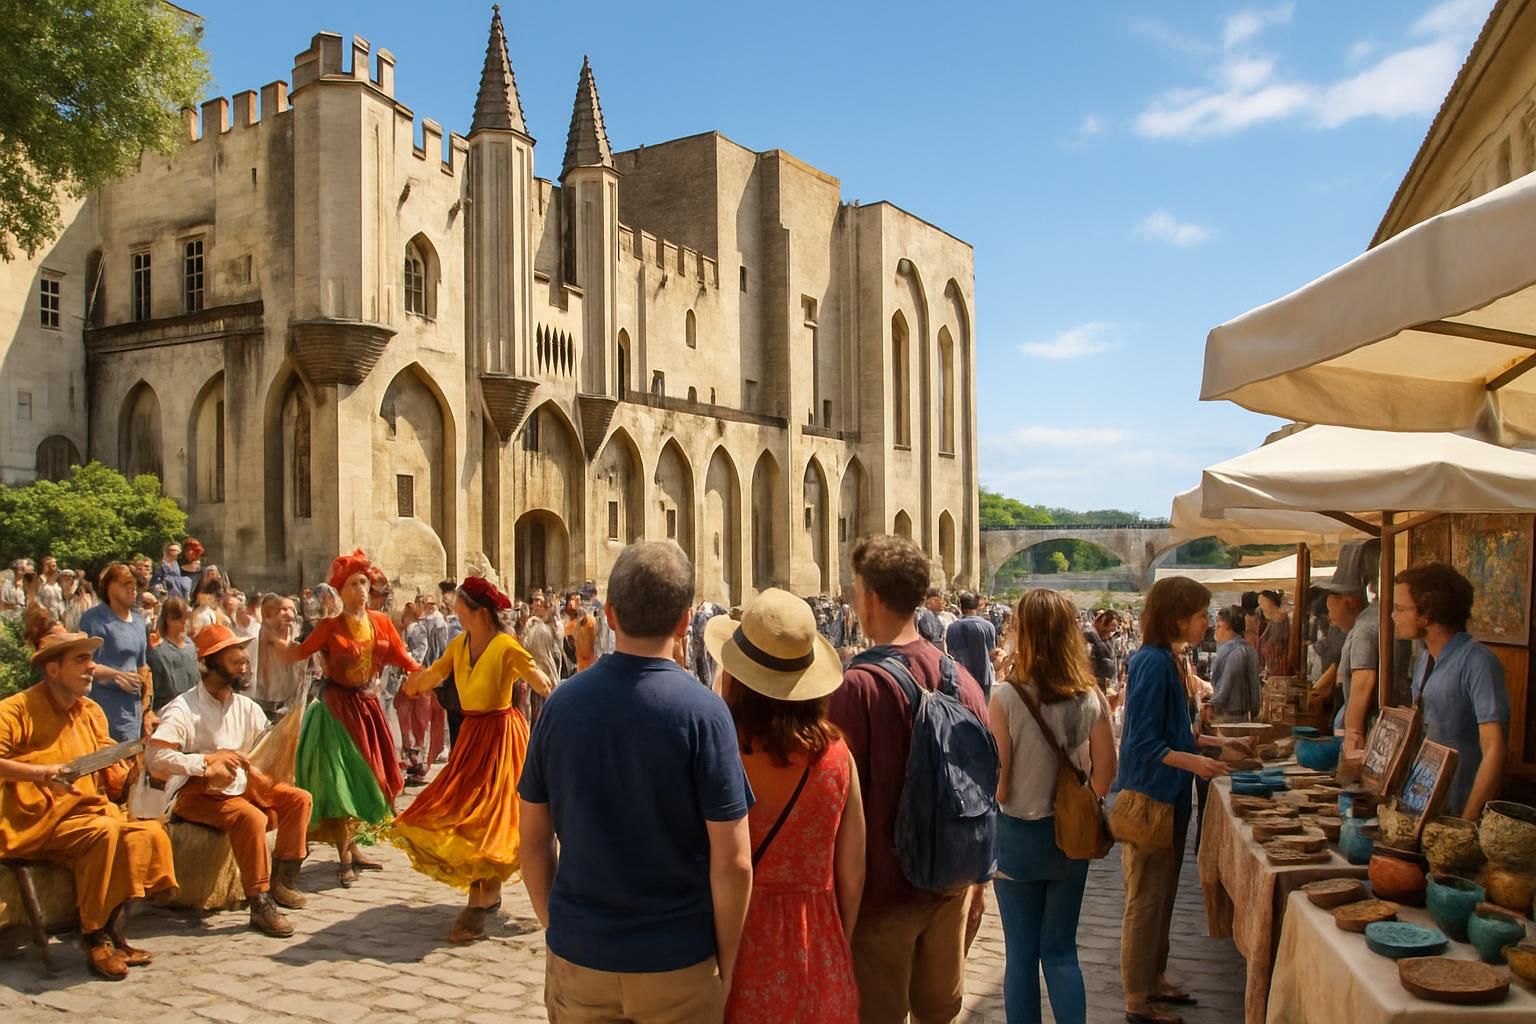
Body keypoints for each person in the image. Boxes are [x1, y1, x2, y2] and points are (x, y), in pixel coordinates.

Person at [520, 542, 753, 1023]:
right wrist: (726, 965)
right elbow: (733, 863)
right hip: (677, 963)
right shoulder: (704, 714)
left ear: (609, 613)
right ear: (685, 621)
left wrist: (560, 927)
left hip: (581, 955)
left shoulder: (560, 707)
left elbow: (533, 843)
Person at [827, 535, 989, 1024]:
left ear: (871, 597)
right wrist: (978, 883)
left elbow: (834, 802)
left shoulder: (856, 688)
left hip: (882, 897)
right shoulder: (962, 678)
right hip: (950, 885)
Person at [705, 588, 863, 1024]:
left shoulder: (721, 755)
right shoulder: (837, 758)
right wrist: (835, 940)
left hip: (736, 943)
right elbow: (852, 872)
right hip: (819, 948)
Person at [0, 631, 177, 979]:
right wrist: (41, 773)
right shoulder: (15, 709)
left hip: (88, 813)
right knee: (105, 831)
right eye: (80, 660)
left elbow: (109, 771)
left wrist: (134, 767)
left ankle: (113, 928)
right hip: (35, 822)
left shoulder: (90, 711)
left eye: (90, 659)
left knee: (146, 833)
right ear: (53, 669)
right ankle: (93, 936)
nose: (92, 666)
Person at [1116, 577, 1248, 1024]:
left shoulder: (1170, 658)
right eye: (1199, 615)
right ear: (1177, 617)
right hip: (1152, 799)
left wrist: (1214, 744)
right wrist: (1198, 764)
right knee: (1146, 902)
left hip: (1169, 800)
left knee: (1163, 897)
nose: (1206, 623)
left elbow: (1176, 733)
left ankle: (1153, 978)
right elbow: (1142, 742)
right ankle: (1138, 998)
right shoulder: (1152, 662)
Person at [393, 577, 552, 942]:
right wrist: (414, 684)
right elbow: (437, 672)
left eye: (459, 604)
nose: (453, 608)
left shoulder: (504, 646)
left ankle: (478, 903)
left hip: (501, 739)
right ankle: (487, 891)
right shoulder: (459, 645)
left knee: (489, 816)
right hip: (472, 737)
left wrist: (556, 694)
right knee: (459, 810)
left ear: (479, 612)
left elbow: (535, 674)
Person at [988, 589, 1116, 1024]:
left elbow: (1000, 785)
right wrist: (1084, 800)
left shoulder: (1005, 697)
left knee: (1020, 956)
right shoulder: (1088, 695)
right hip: (1069, 835)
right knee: (1061, 951)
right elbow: (1106, 770)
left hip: (1018, 835)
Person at [146, 624, 312, 937]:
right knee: (249, 818)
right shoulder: (184, 708)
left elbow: (266, 749)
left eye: (245, 661)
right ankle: (259, 902)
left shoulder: (247, 707)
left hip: (242, 786)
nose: (244, 666)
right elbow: (155, 757)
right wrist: (205, 762)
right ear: (211, 665)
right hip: (198, 794)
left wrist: (282, 744)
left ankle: (283, 881)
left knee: (298, 799)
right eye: (237, 662)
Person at [275, 550, 419, 885]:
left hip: (366, 707)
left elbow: (401, 656)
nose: (362, 589)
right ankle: (343, 857)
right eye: (354, 583)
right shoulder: (329, 627)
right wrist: (278, 645)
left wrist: (425, 674)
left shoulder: (380, 623)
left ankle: (353, 848)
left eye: (365, 583)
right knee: (340, 782)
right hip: (335, 709)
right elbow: (300, 653)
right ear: (341, 591)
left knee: (368, 778)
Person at [1394, 563, 1510, 819]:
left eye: (1401, 609)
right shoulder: (1425, 659)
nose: (1394, 616)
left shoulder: (1478, 662)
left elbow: (1494, 748)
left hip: (1458, 809)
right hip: (1423, 803)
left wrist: (1468, 820)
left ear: (1428, 614)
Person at [1316, 541, 1381, 751]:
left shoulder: (1364, 629)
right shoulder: (1367, 622)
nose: (1330, 616)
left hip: (1372, 729)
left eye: (1330, 608)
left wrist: (1353, 733)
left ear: (1348, 601)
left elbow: (1364, 681)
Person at [80, 563, 153, 743]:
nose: (132, 590)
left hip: (132, 711)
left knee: (131, 765)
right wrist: (116, 675)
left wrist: (147, 706)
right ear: (110, 587)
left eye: (134, 585)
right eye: (125, 585)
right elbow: (82, 664)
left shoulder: (138, 621)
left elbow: (142, 666)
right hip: (103, 709)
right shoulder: (94, 619)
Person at [253, 593, 306, 717]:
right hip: (271, 687)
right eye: (282, 609)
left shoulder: (291, 627)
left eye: (290, 609)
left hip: (289, 682)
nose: (287, 613)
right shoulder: (266, 629)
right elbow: (284, 647)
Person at [1208, 606, 1261, 722]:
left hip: (1228, 715)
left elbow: (1225, 686)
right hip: (1243, 715)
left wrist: (1210, 705)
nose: (1216, 631)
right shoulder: (1249, 649)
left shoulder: (1234, 652)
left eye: (1219, 626)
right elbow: (1255, 689)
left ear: (1227, 626)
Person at [148, 597, 201, 713]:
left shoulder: (190, 645)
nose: (183, 623)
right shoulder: (158, 650)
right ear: (168, 619)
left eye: (185, 618)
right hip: (167, 709)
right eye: (177, 619)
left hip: (193, 707)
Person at [946, 591, 998, 700]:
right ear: (976, 606)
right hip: (984, 681)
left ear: (961, 607)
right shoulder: (988, 626)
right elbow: (992, 654)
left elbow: (951, 654)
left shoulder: (952, 628)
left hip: (961, 681)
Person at [1254, 590, 1291, 677]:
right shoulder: (1271, 622)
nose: (1261, 608)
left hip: (1279, 671)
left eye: (1263, 603)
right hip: (1272, 671)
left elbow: (1275, 646)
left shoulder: (1280, 621)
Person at [562, 591, 598, 673]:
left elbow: (587, 651)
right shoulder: (563, 621)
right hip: (569, 668)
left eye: (578, 600)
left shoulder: (588, 621)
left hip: (587, 668)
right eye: (573, 600)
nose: (575, 604)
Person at [1085, 610, 1117, 692]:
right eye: (1112, 626)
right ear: (1101, 623)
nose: (1113, 630)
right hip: (1092, 683)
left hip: (1101, 682)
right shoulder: (1090, 635)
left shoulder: (1105, 638)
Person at [915, 587, 947, 651]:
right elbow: (931, 636)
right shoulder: (926, 614)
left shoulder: (935, 615)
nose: (944, 603)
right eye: (942, 600)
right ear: (933, 600)